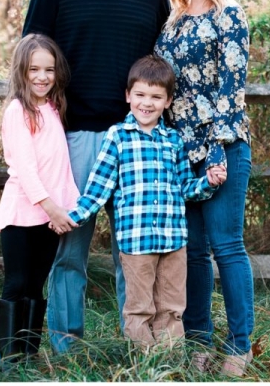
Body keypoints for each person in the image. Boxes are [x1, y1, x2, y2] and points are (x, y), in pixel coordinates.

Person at [21, 0, 171, 353]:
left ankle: (139, 345)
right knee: (69, 249)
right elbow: (31, 62)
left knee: (137, 254)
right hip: (74, 138)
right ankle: (67, 349)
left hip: (139, 140)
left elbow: (164, 64)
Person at [60, 55, 226, 350]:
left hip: (173, 240)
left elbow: (185, 187)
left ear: (168, 101)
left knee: (172, 308)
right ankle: (145, 368)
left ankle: (169, 366)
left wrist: (208, 183)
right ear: (128, 96)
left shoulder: (173, 140)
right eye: (140, 95)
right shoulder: (118, 137)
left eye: (155, 96)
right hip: (136, 243)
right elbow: (99, 187)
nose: (146, 103)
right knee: (139, 309)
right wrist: (73, 216)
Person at [154, 0, 254, 377]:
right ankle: (198, 342)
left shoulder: (229, 14)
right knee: (191, 252)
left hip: (223, 147)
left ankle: (239, 344)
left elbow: (232, 91)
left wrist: (216, 149)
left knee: (227, 246)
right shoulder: (172, 19)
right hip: (180, 151)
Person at [0, 34, 79, 366]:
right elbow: (25, 169)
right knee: (17, 282)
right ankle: (8, 356)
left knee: (37, 285)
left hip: (49, 218)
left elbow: (59, 167)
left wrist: (66, 208)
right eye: (34, 70)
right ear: (21, 71)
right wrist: (52, 208)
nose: (42, 77)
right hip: (22, 214)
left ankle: (28, 353)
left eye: (49, 70)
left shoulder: (54, 108)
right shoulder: (18, 110)